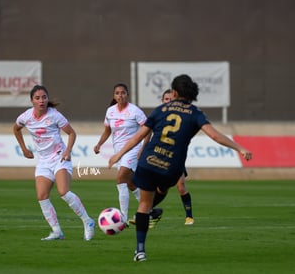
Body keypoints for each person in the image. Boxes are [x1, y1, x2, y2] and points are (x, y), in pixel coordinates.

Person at [108, 74, 252, 262]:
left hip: (148, 161)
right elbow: (215, 136)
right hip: (171, 166)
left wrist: (118, 154)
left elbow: (137, 137)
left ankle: (140, 250)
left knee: (144, 204)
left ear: (174, 92)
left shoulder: (161, 109)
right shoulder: (195, 113)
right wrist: (240, 148)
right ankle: (154, 206)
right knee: (162, 190)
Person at [13, 85, 95, 241]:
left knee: (63, 192)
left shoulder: (55, 115)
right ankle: (57, 231)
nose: (41, 101)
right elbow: (16, 129)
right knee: (42, 196)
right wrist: (24, 149)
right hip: (43, 161)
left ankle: (88, 221)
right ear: (32, 101)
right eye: (37, 98)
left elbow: (71, 133)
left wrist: (68, 151)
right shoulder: (25, 117)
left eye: (44, 97)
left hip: (59, 158)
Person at [94, 83, 160, 226]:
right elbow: (107, 131)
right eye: (117, 93)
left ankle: (122, 217)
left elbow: (148, 130)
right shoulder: (110, 111)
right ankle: (151, 209)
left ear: (127, 95)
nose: (120, 95)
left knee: (120, 178)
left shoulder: (135, 111)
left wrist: (143, 148)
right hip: (119, 152)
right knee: (130, 183)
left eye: (123, 93)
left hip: (133, 149)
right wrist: (99, 144)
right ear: (114, 96)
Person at [162, 89, 194, 225]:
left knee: (180, 186)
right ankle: (148, 213)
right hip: (159, 155)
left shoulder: (180, 116)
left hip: (176, 156)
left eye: (171, 99)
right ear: (163, 101)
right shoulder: (159, 115)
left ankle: (189, 216)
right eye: (166, 99)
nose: (169, 101)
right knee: (159, 188)